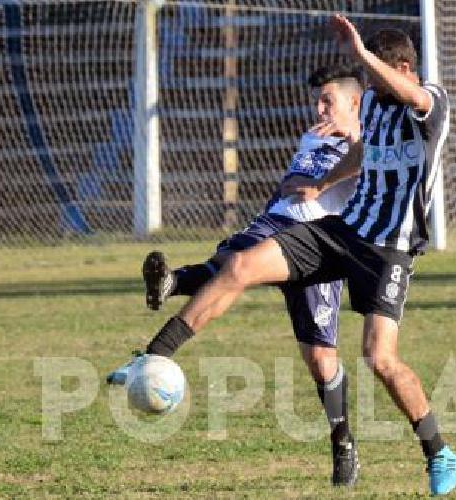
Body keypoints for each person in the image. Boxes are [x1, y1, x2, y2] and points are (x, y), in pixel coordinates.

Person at [113, 15, 456, 495]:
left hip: (389, 252)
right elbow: (365, 154)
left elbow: (413, 96)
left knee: (379, 359)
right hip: (343, 229)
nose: (371, 88)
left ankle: (438, 449)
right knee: (240, 265)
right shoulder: (377, 107)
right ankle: (153, 357)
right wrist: (324, 180)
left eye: (378, 75)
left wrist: (361, 54)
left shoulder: (433, 102)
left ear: (402, 66)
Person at [109, 62, 365, 486]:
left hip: (320, 245)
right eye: (317, 100)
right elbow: (292, 185)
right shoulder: (313, 137)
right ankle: (167, 298)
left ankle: (343, 443)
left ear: (355, 102)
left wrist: (331, 169)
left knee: (321, 361)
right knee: (231, 267)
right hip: (278, 225)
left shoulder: (372, 141)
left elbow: (361, 164)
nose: (319, 108)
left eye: (328, 101)